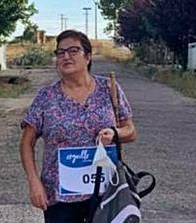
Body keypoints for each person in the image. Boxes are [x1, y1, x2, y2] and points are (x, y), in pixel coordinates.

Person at [20, 29, 137, 223]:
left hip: (105, 192)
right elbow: (26, 142)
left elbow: (130, 131)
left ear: (88, 56)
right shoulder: (46, 97)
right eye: (60, 52)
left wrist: (115, 133)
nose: (66, 56)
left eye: (73, 50)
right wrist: (34, 183)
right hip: (60, 198)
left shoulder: (109, 88)